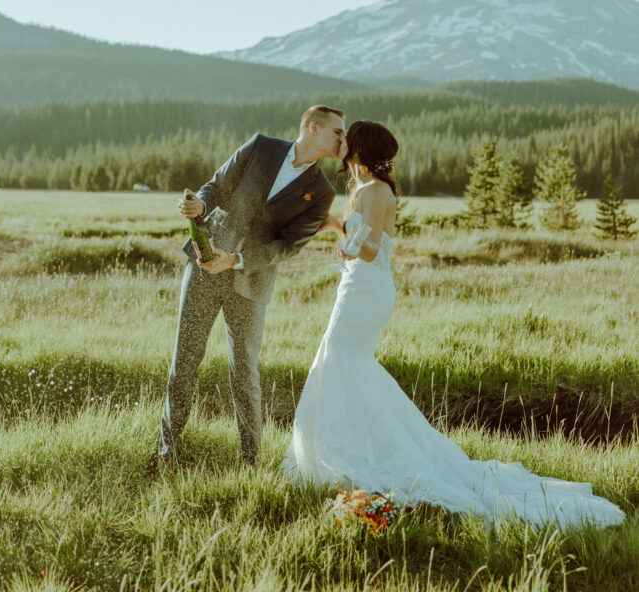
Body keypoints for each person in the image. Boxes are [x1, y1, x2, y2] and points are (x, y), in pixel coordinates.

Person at [282, 120, 625, 529]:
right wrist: (338, 228)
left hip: (365, 292)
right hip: (358, 290)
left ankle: (356, 454)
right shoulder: (362, 190)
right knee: (345, 365)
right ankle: (353, 447)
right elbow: (363, 237)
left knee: (339, 360)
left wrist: (348, 246)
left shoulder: (375, 190)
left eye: (346, 139)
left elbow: (371, 248)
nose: (341, 144)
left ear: (361, 149)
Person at [149, 105, 347, 476]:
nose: (343, 141)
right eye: (338, 132)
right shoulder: (260, 147)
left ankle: (250, 464)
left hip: (251, 283)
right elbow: (217, 186)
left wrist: (237, 261)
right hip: (205, 266)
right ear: (314, 128)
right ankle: (165, 454)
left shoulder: (321, 192)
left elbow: (286, 246)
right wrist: (200, 204)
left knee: (245, 374)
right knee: (184, 362)